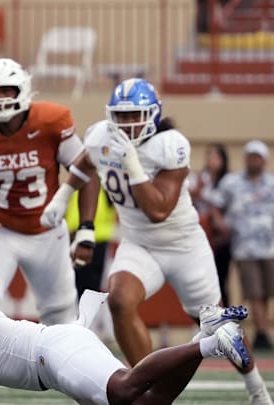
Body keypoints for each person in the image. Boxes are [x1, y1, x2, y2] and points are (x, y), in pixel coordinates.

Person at [40, 78, 273, 405]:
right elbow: (87, 163)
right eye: (120, 116)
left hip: (183, 245)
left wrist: (132, 164)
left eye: (134, 115)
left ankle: (255, 387)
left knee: (217, 322)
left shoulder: (170, 144)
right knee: (119, 300)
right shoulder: (101, 136)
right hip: (139, 244)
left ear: (152, 114)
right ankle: (149, 387)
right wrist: (63, 197)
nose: (126, 124)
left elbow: (159, 210)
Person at [0, 262, 252, 405]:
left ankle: (211, 342)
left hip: (52, 350)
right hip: (49, 367)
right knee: (148, 404)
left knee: (123, 391)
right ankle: (208, 336)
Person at [0, 57, 100, 404]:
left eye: (7, 89)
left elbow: (86, 173)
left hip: (47, 231)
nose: (0, 97)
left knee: (62, 317)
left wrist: (86, 229)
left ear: (24, 90)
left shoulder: (51, 121)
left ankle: (85, 389)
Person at [208, 140, 274, 350]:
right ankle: (262, 332)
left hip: (270, 246)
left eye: (258, 156)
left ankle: (262, 330)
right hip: (245, 247)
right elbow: (215, 204)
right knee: (253, 291)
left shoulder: (271, 184)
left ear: (264, 160)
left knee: (266, 292)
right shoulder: (231, 182)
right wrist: (220, 223)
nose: (254, 160)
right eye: (250, 156)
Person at [189, 143, 231, 306]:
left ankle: (226, 313)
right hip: (204, 232)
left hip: (222, 237)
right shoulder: (200, 178)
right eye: (209, 156)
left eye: (215, 156)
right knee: (203, 278)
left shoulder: (228, 181)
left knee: (221, 277)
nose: (211, 160)